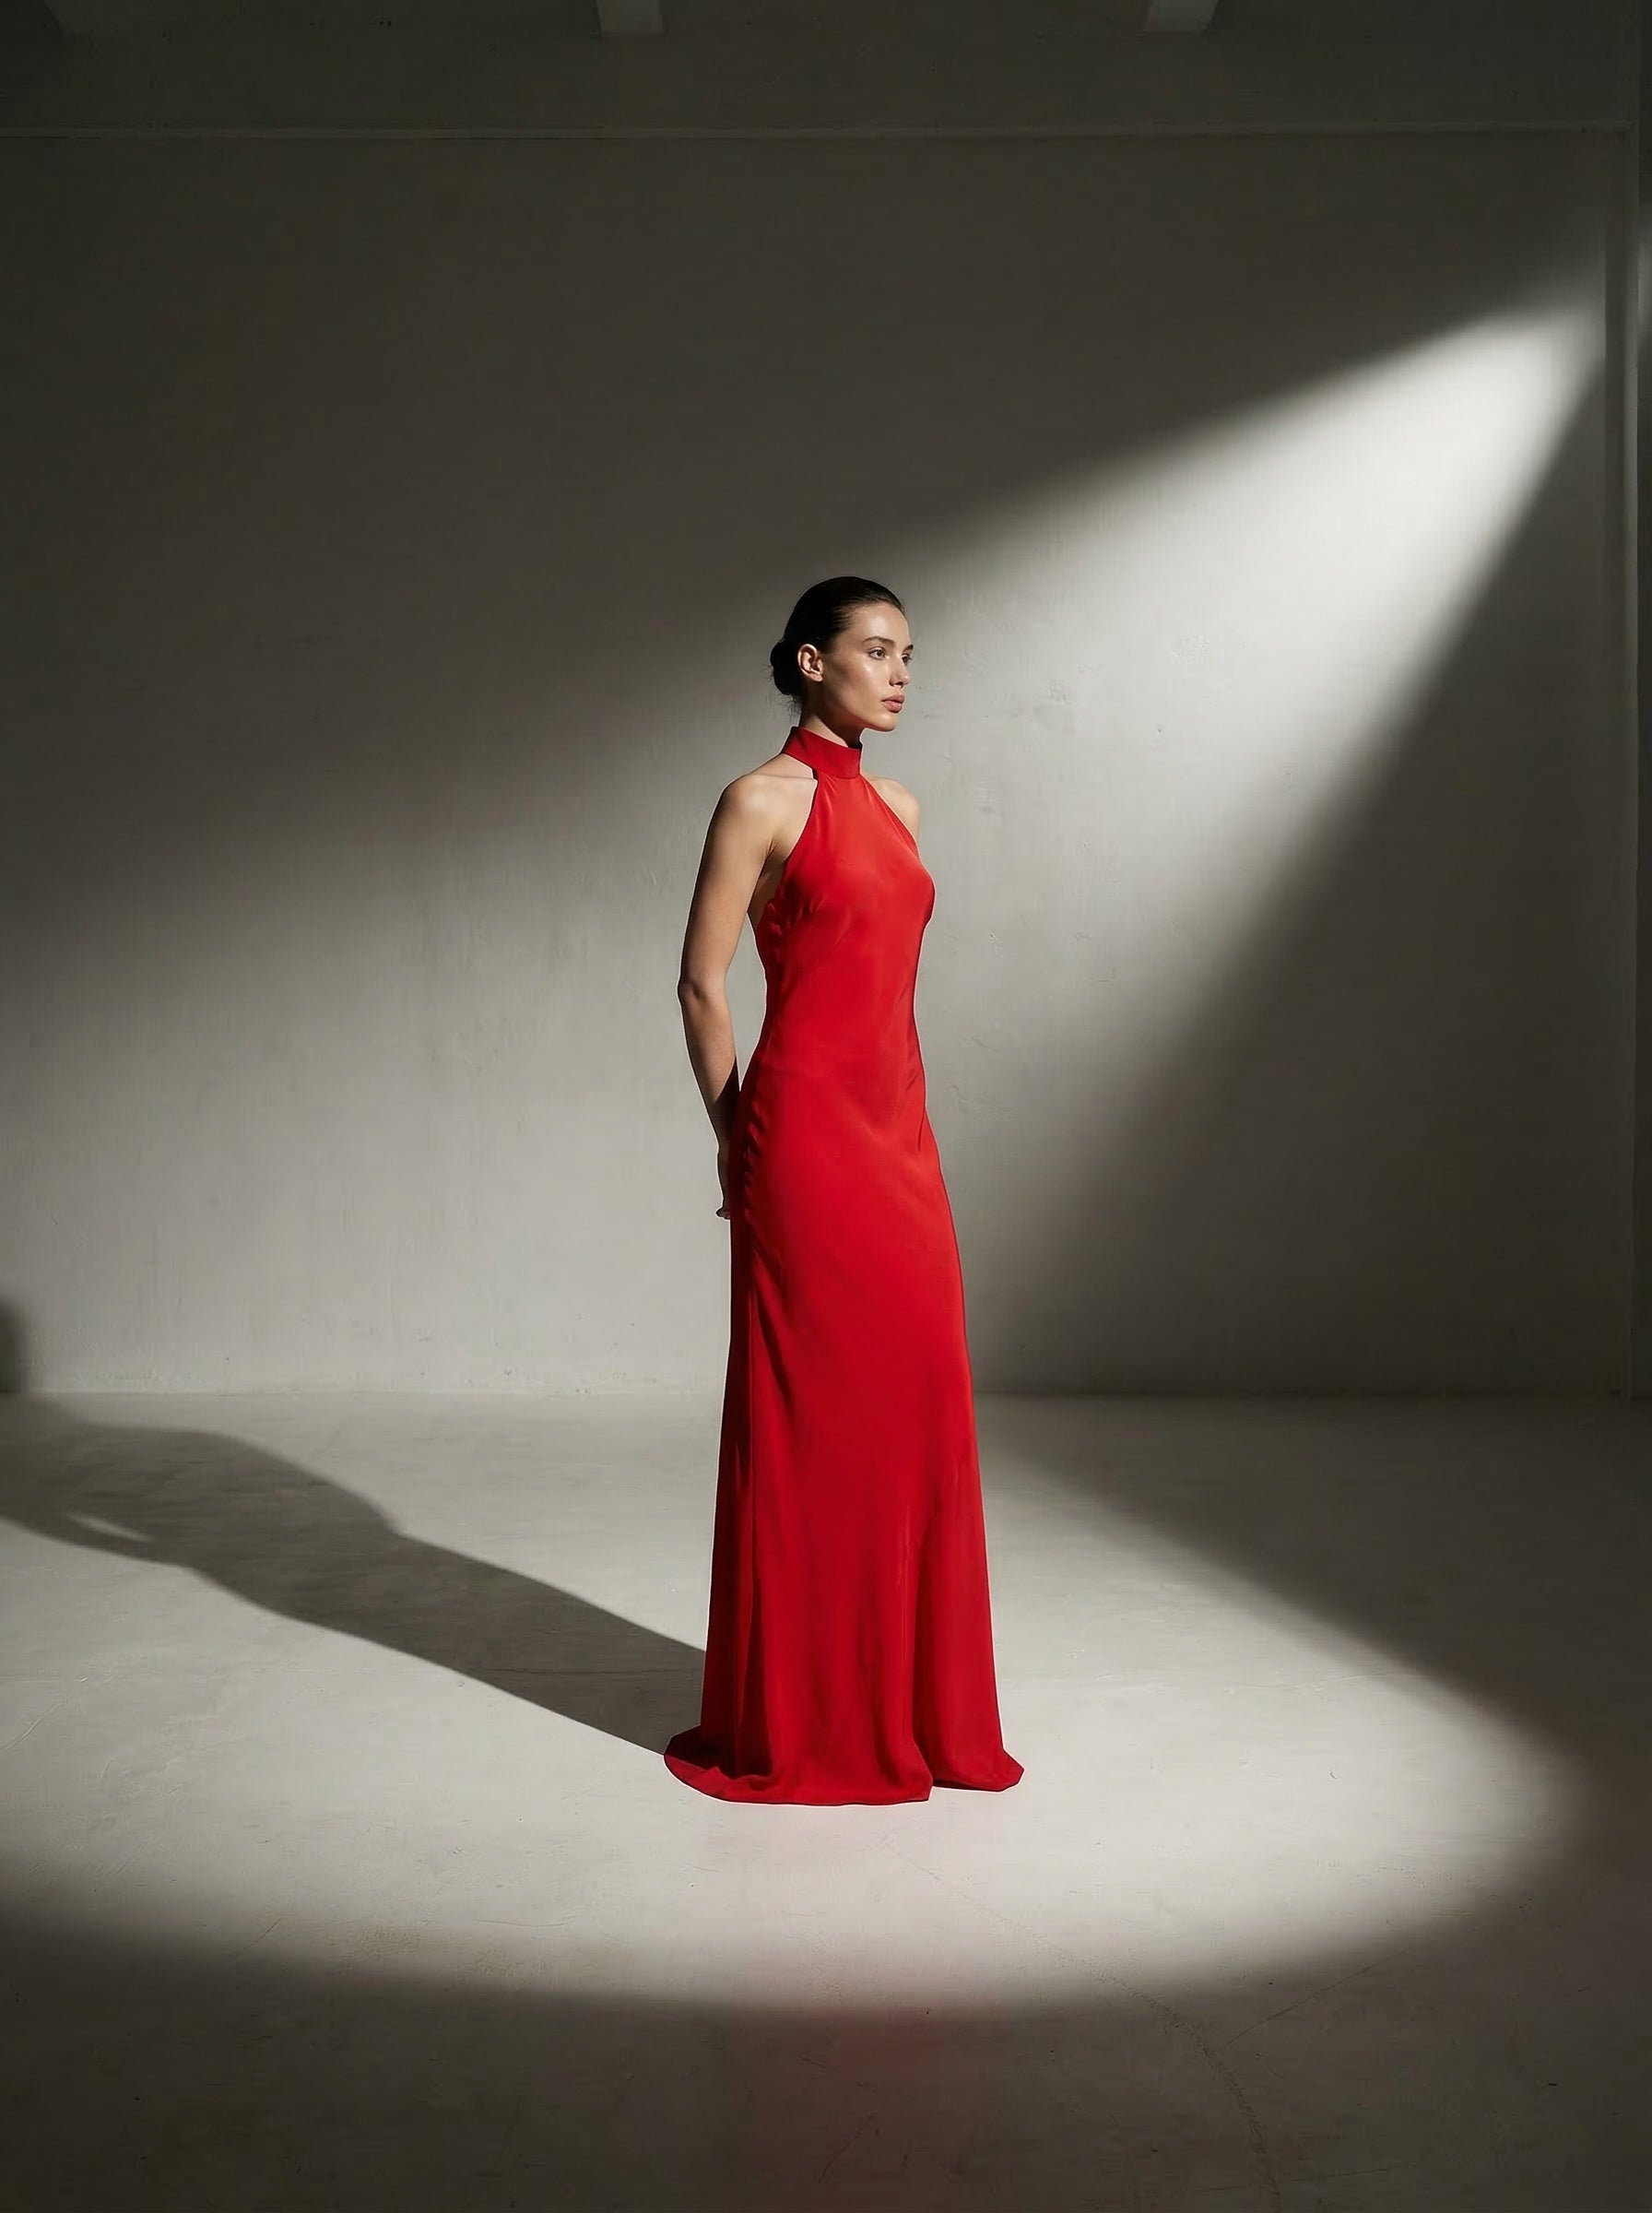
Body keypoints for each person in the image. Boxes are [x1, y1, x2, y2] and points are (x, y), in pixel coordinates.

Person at [664, 577, 1023, 1805]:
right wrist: (732, 1139)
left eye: (909, 654)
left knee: (915, 1403)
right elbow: (701, 984)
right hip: (804, 1135)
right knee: (813, 1418)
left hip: (900, 1135)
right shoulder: (759, 799)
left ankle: (911, 1707)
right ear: (808, 663)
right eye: (876, 651)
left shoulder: (904, 806)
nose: (899, 672)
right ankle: (808, 1713)